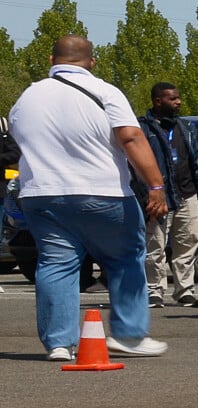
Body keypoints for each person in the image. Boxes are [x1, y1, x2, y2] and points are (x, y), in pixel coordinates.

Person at [6, 34, 171, 359]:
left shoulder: (27, 98)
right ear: (91, 62)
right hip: (103, 192)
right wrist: (155, 185)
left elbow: (16, 141)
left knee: (55, 263)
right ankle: (129, 334)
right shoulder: (105, 92)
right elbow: (131, 137)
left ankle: (59, 343)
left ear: (51, 61)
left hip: (43, 194)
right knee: (125, 258)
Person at [138, 81, 198, 309]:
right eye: (173, 99)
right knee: (155, 245)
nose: (178, 102)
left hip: (187, 194)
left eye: (178, 97)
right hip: (159, 197)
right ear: (158, 101)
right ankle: (154, 290)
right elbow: (135, 165)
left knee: (188, 242)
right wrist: (145, 195)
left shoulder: (186, 127)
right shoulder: (143, 129)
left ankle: (185, 290)